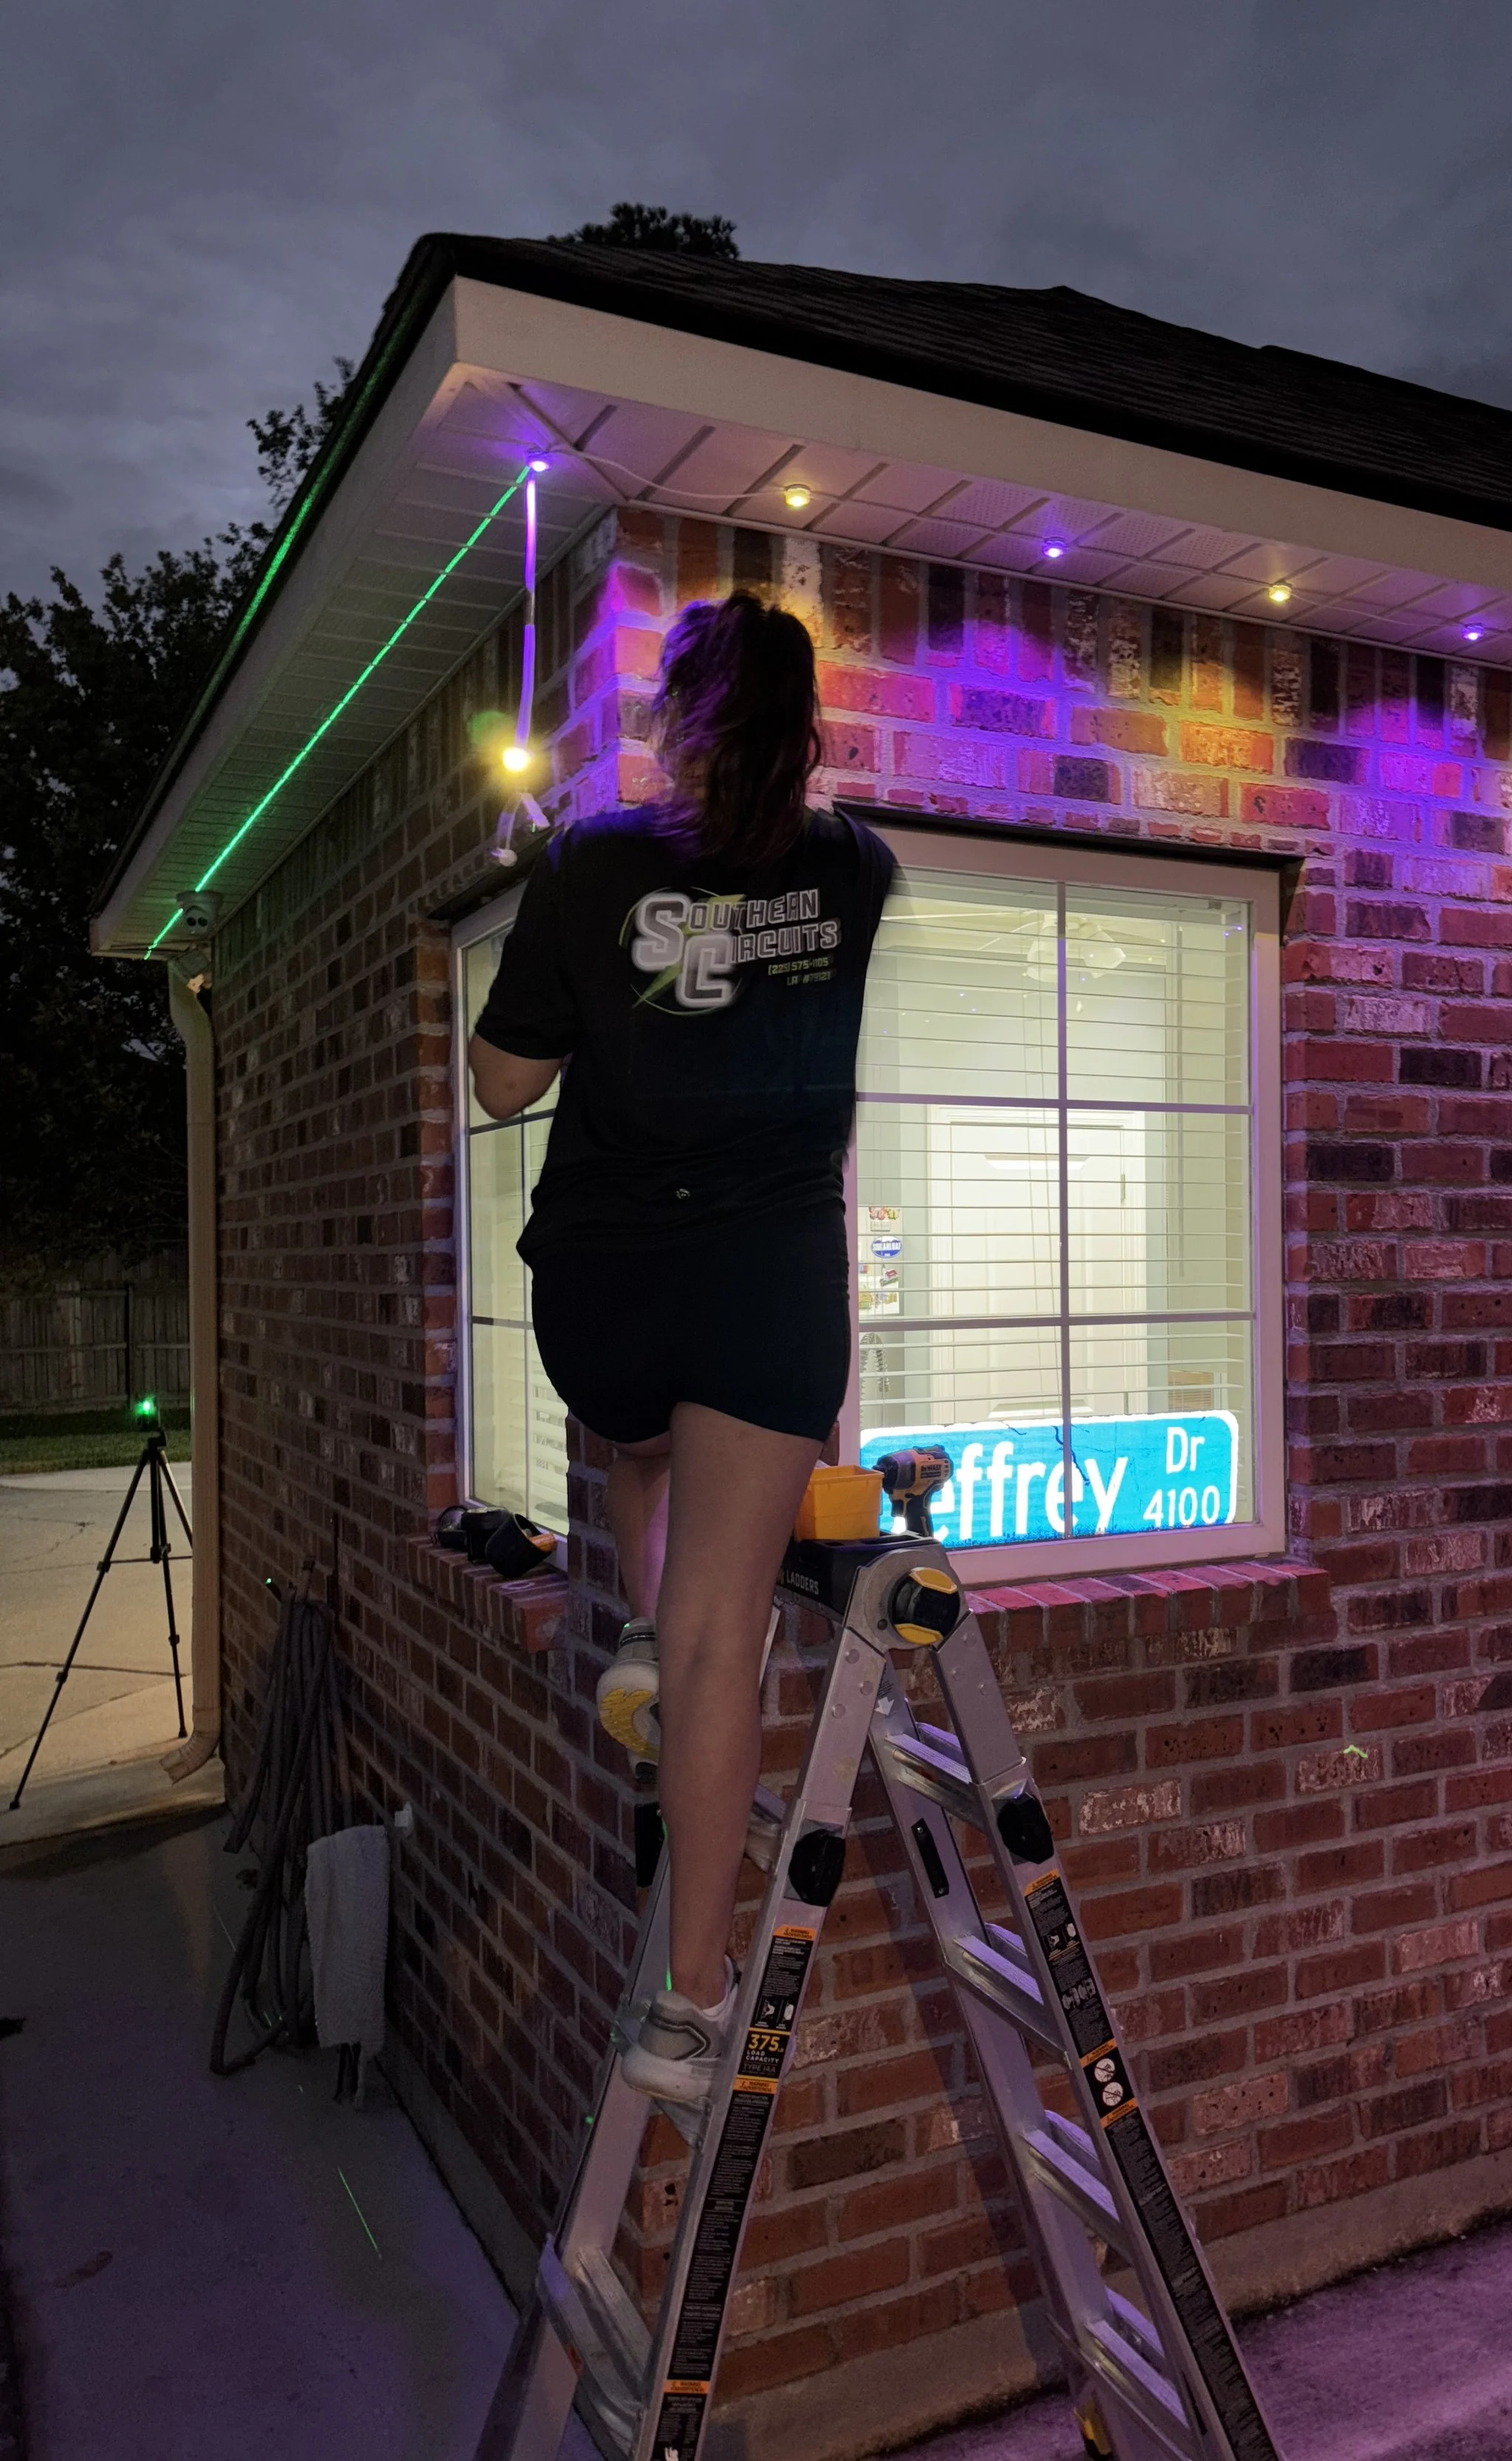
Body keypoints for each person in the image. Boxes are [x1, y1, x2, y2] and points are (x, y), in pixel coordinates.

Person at [467, 590, 895, 2105]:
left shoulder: (591, 859)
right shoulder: (858, 866)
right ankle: (690, 2008)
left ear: (679, 716)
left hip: (611, 1274)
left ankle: (640, 1624)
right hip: (768, 1280)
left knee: (631, 1428)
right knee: (731, 1639)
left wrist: (592, 979)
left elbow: (506, 1082)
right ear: (805, 727)